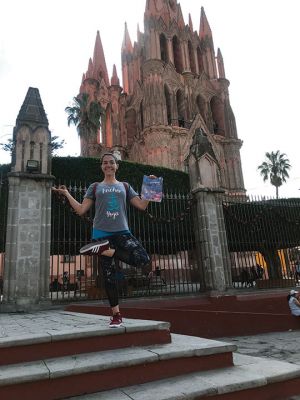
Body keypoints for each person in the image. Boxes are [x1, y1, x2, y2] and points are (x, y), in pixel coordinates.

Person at [52, 152, 154, 327]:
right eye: (105, 163)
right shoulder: (95, 186)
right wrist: (67, 194)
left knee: (142, 259)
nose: (108, 165)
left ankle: (106, 250)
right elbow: (82, 210)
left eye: (112, 162)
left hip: (122, 232)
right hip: (101, 234)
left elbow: (142, 205)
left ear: (117, 166)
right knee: (109, 277)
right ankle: (116, 315)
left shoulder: (125, 186)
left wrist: (150, 186)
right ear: (101, 167)